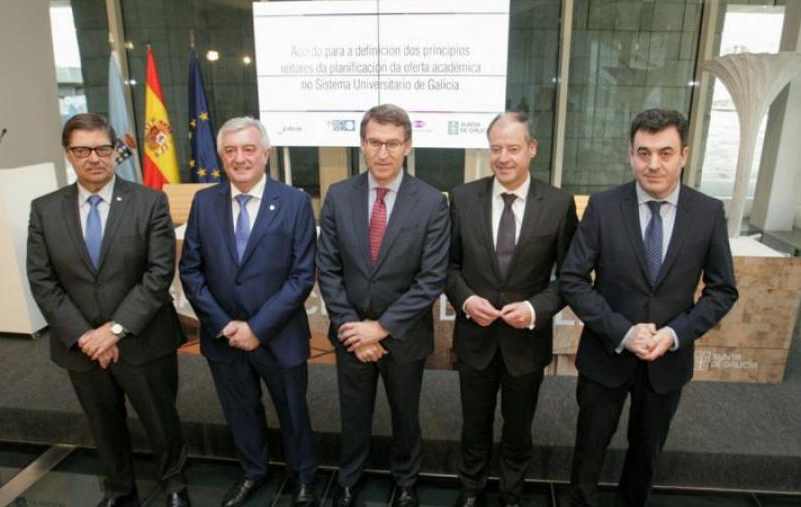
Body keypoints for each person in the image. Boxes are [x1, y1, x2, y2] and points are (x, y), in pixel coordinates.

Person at [560, 109, 739, 507]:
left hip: (667, 362)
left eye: (665, 152)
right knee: (588, 452)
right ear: (631, 155)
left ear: (684, 155)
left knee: (645, 457)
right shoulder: (604, 207)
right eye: (644, 153)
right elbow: (572, 279)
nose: (653, 164)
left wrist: (675, 335)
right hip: (607, 354)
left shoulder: (708, 213)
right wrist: (624, 331)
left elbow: (722, 290)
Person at [27, 113, 189, 507]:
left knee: (160, 420)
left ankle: (174, 485)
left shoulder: (149, 201)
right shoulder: (45, 209)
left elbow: (158, 273)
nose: (94, 158)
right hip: (80, 344)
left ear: (116, 152)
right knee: (103, 423)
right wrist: (86, 335)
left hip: (143, 337)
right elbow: (42, 279)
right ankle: (118, 487)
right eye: (82, 150)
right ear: (68, 154)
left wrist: (114, 330)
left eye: (102, 148)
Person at [179, 117, 318, 507]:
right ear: (221, 156)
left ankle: (303, 477)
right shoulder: (204, 201)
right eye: (231, 150)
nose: (240, 158)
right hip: (223, 338)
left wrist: (257, 327)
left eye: (249, 149)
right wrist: (224, 325)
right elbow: (191, 270)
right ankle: (253, 472)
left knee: (293, 412)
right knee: (240, 412)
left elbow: (302, 275)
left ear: (266, 153)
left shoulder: (293, 202)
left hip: (279, 335)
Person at [316, 104, 450, 507]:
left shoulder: (430, 202)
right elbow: (328, 268)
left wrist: (381, 327)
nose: (383, 152)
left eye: (393, 143)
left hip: (403, 336)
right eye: (375, 142)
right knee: (353, 414)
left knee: (405, 416)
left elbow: (432, 278)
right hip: (350, 332)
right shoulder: (339, 196)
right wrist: (353, 328)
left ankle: (406, 480)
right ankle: (348, 480)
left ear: (407, 145)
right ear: (362, 144)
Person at [446, 112, 578, 507]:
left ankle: (511, 492)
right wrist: (467, 300)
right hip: (474, 339)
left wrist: (537, 308)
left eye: (513, 148)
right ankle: (470, 488)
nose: (503, 157)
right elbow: (447, 268)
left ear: (532, 149)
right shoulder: (462, 198)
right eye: (496, 148)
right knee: (474, 422)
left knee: (519, 426)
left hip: (527, 341)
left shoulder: (557, 204)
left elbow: (570, 277)